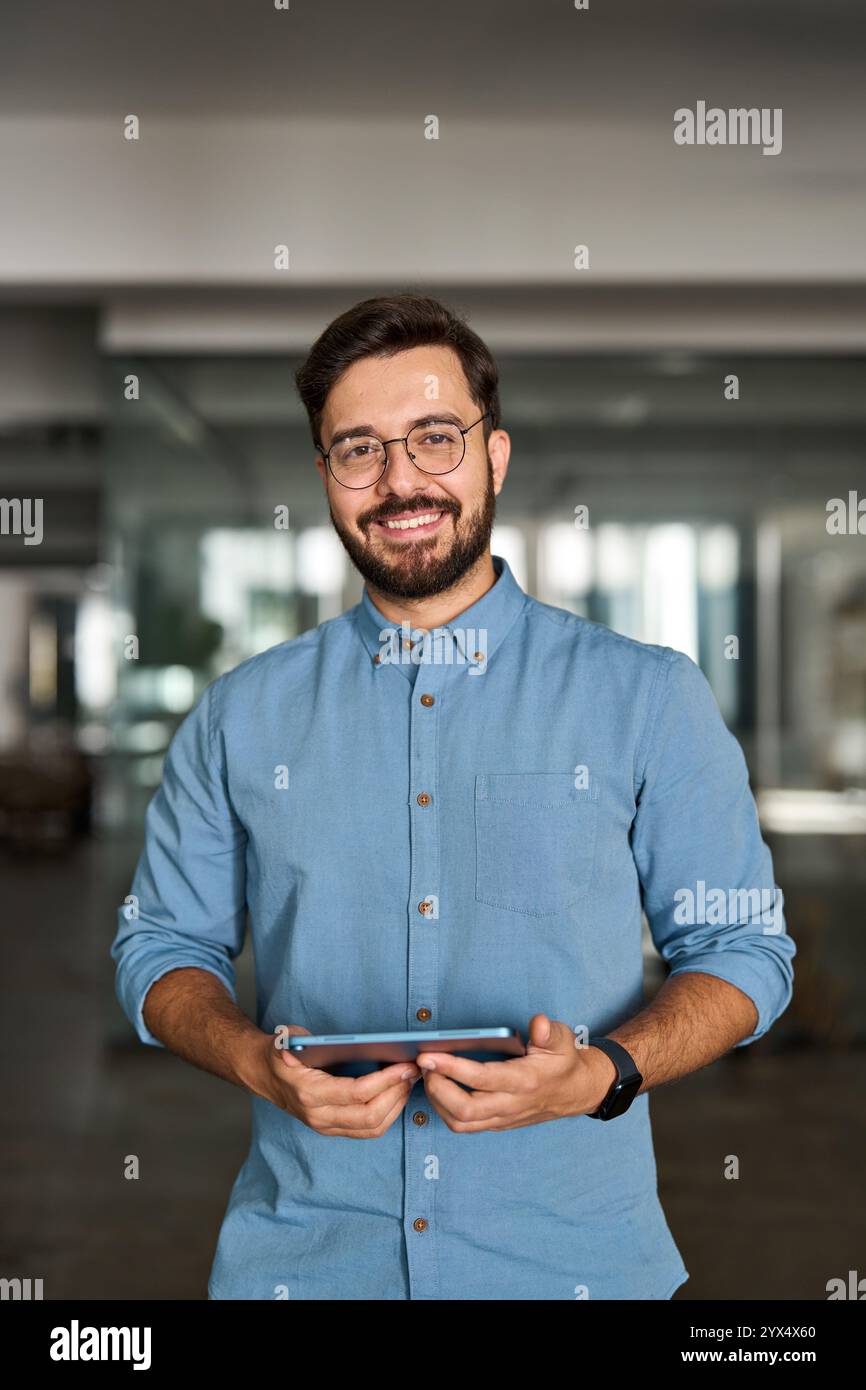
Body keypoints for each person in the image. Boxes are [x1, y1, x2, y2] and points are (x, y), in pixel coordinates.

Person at [111, 293, 796, 1300]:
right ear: (325, 475)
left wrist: (604, 1071)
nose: (399, 481)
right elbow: (159, 947)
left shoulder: (645, 696)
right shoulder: (238, 718)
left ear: (493, 455)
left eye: (433, 438)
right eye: (359, 448)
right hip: (302, 1266)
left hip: (574, 1268)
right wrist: (256, 1062)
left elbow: (743, 950)